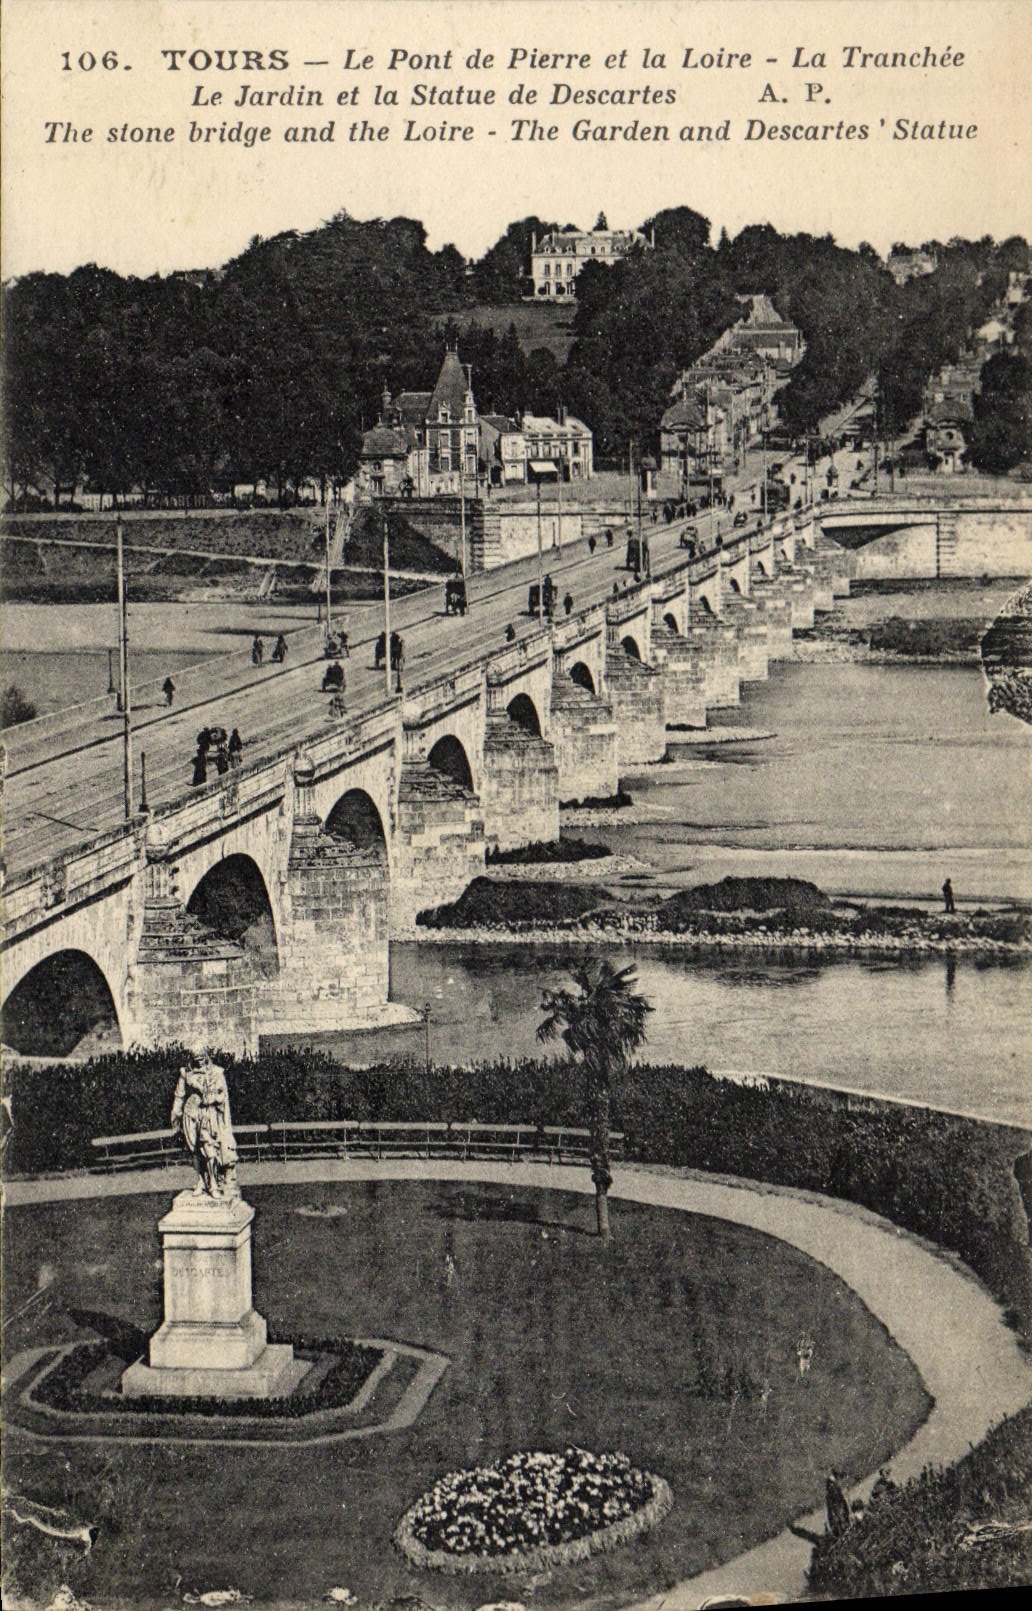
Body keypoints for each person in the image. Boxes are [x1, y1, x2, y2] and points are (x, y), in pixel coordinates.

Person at [170, 1055, 239, 1198]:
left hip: (207, 1114)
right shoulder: (186, 1073)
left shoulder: (216, 1072)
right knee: (194, 1150)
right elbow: (179, 1095)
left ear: (205, 1055)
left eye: (201, 1056)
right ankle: (201, 1181)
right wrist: (175, 1111)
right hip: (190, 1114)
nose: (199, 1059)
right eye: (195, 1057)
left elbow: (223, 1095)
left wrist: (214, 1099)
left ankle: (213, 1183)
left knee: (209, 1149)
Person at [825, 1472, 852, 1538]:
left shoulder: (834, 1491)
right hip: (838, 1511)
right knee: (841, 1520)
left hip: (839, 1510)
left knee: (842, 1520)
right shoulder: (833, 1491)